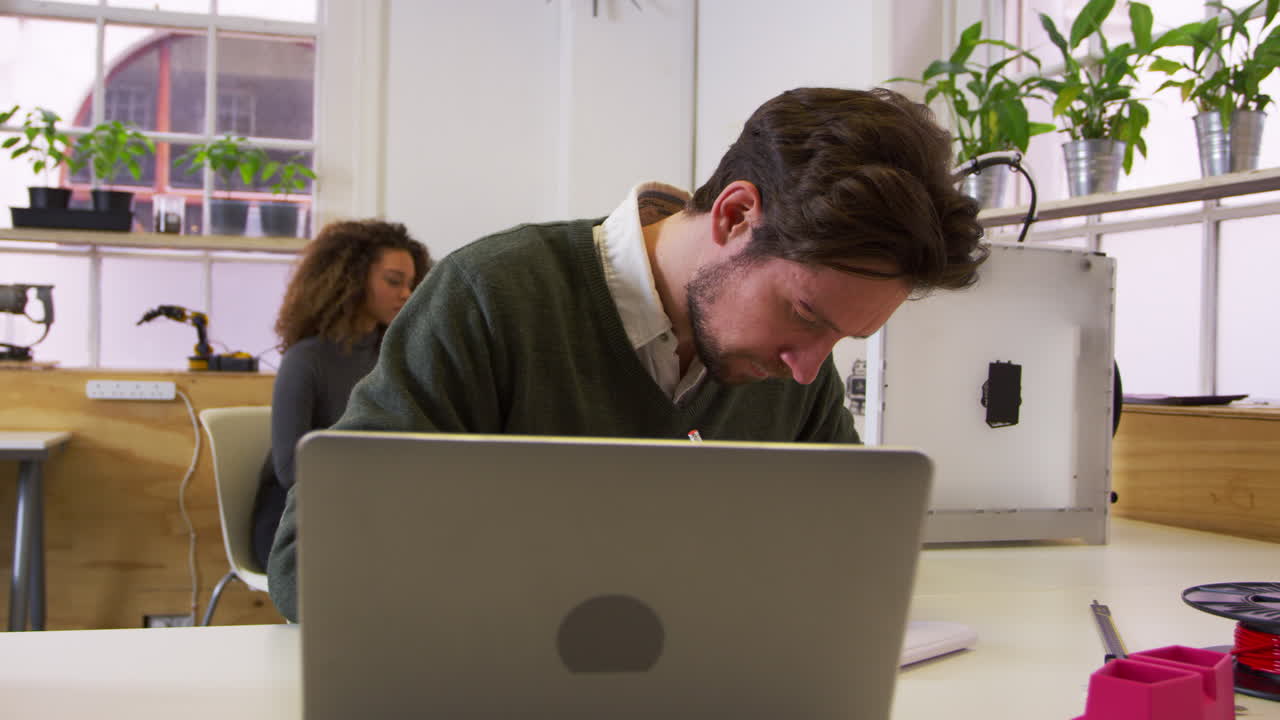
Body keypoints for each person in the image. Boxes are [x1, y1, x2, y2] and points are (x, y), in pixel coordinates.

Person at [267, 87, 987, 622]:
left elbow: (846, 557)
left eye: (840, 340)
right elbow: (312, 566)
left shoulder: (791, 359)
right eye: (804, 314)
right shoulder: (492, 295)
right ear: (736, 216)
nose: (807, 367)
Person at [251, 220, 432, 571]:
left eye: (411, 284)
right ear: (350, 278)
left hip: (365, 511)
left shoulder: (394, 357)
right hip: (293, 523)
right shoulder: (306, 360)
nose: (406, 294)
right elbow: (291, 471)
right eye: (394, 281)